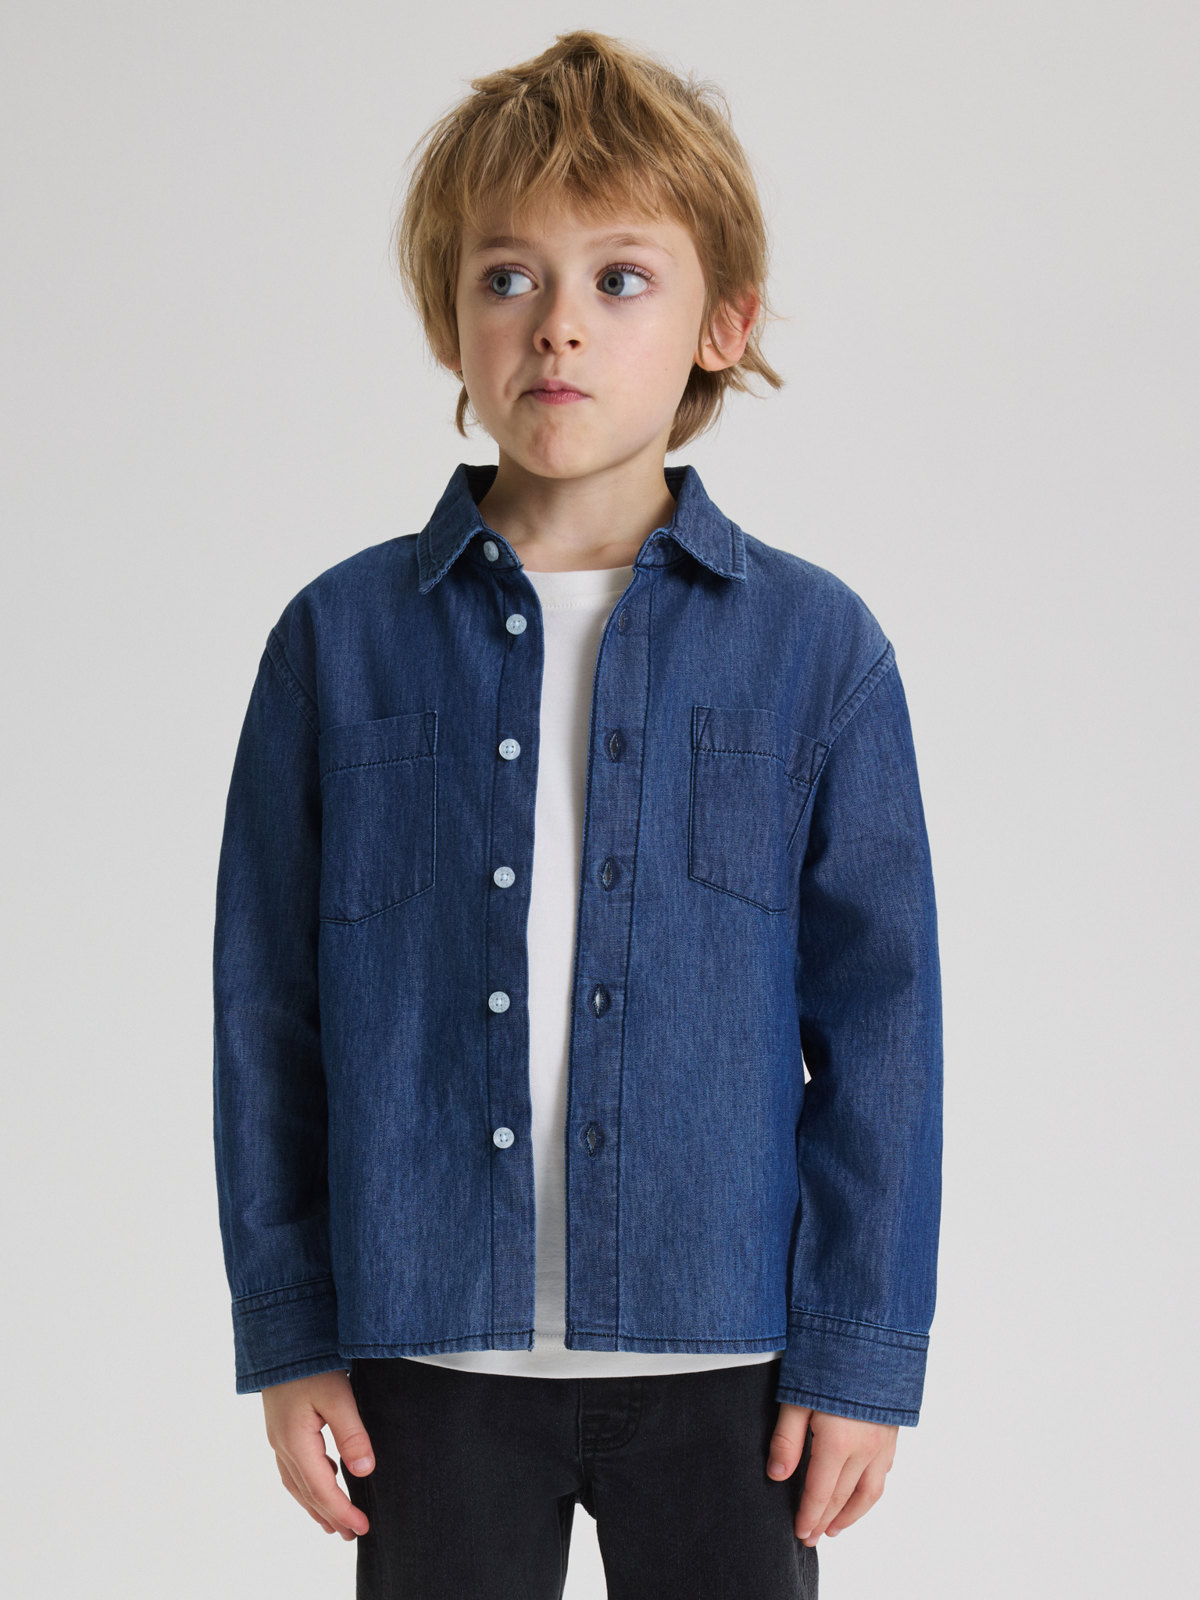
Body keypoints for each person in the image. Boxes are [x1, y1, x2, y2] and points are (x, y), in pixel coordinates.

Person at [212, 29, 943, 1600]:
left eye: (620, 279)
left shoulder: (817, 653)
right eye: (508, 278)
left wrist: (862, 1350)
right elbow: (267, 1013)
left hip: (730, 1358)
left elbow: (882, 1028)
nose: (558, 325)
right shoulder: (339, 646)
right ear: (449, 320)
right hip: (427, 1351)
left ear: (721, 324)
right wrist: (289, 1331)